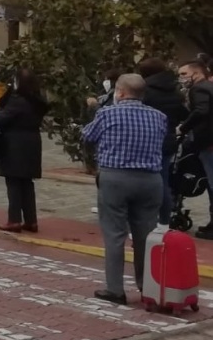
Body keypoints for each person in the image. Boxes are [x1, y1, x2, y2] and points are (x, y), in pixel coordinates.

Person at [81, 73, 167, 305]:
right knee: (145, 235)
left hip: (116, 177)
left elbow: (87, 136)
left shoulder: (108, 113)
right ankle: (147, 285)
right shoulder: (159, 117)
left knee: (115, 234)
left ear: (119, 92)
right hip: (150, 179)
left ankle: (115, 289)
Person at [0, 70, 49, 233]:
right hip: (32, 141)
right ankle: (31, 220)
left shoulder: (18, 101)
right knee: (26, 182)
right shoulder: (37, 100)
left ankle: (14, 219)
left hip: (15, 142)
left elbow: (1, 119)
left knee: (13, 181)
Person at [138, 58, 187, 226]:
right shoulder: (175, 90)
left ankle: (144, 222)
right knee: (163, 182)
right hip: (167, 140)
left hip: (145, 141)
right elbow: (183, 114)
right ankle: (164, 222)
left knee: (141, 183)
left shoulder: (144, 91)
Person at [177, 60, 213, 238]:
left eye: (184, 74)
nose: (181, 78)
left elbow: (202, 110)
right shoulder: (210, 87)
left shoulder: (199, 89)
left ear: (197, 73)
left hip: (208, 143)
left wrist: (183, 127)